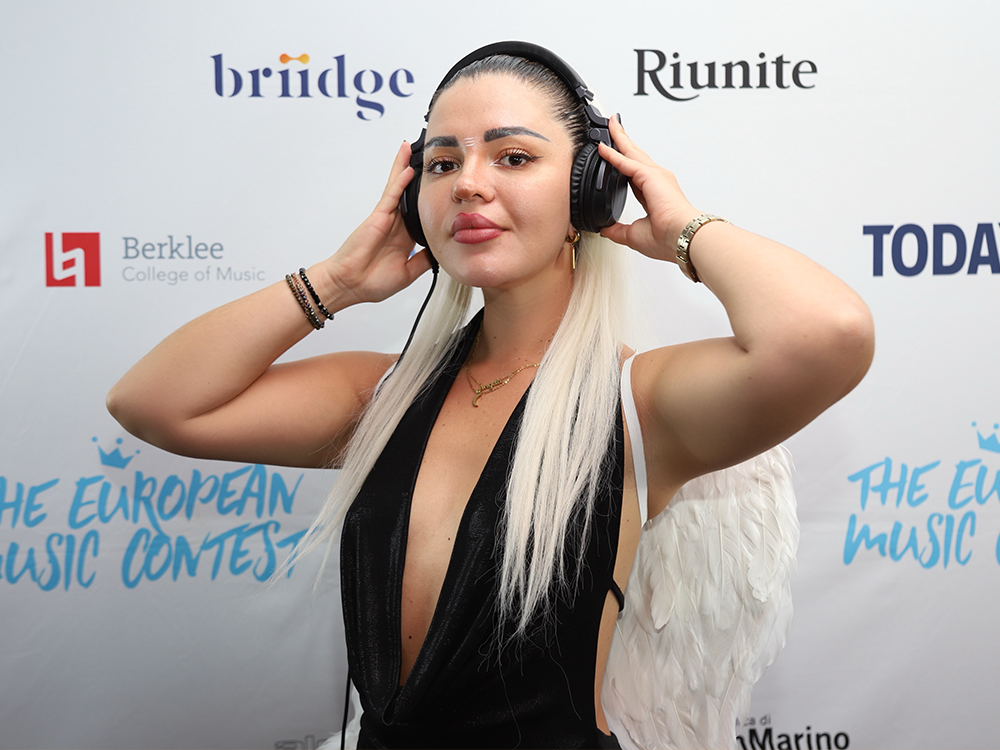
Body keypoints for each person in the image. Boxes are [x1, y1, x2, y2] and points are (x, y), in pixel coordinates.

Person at [107, 41, 874, 750]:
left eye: (513, 156)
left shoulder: (637, 405)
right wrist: (336, 282)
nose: (469, 182)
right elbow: (154, 403)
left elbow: (827, 334)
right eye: (443, 164)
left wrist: (679, 227)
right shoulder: (382, 396)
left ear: (590, 193)